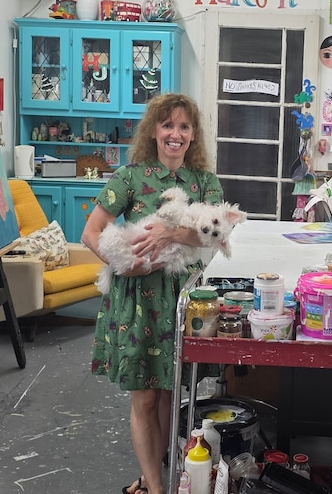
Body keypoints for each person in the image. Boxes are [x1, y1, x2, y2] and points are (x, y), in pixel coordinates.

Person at [81, 93, 224, 494]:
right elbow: (91, 233)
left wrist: (170, 232)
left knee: (169, 396)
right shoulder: (130, 177)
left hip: (184, 301)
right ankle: (158, 489)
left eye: (183, 127)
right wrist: (127, 263)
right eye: (167, 125)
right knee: (144, 398)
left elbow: (215, 235)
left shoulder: (204, 182)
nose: (175, 134)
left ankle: (149, 478)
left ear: (193, 135)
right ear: (154, 131)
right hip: (140, 303)